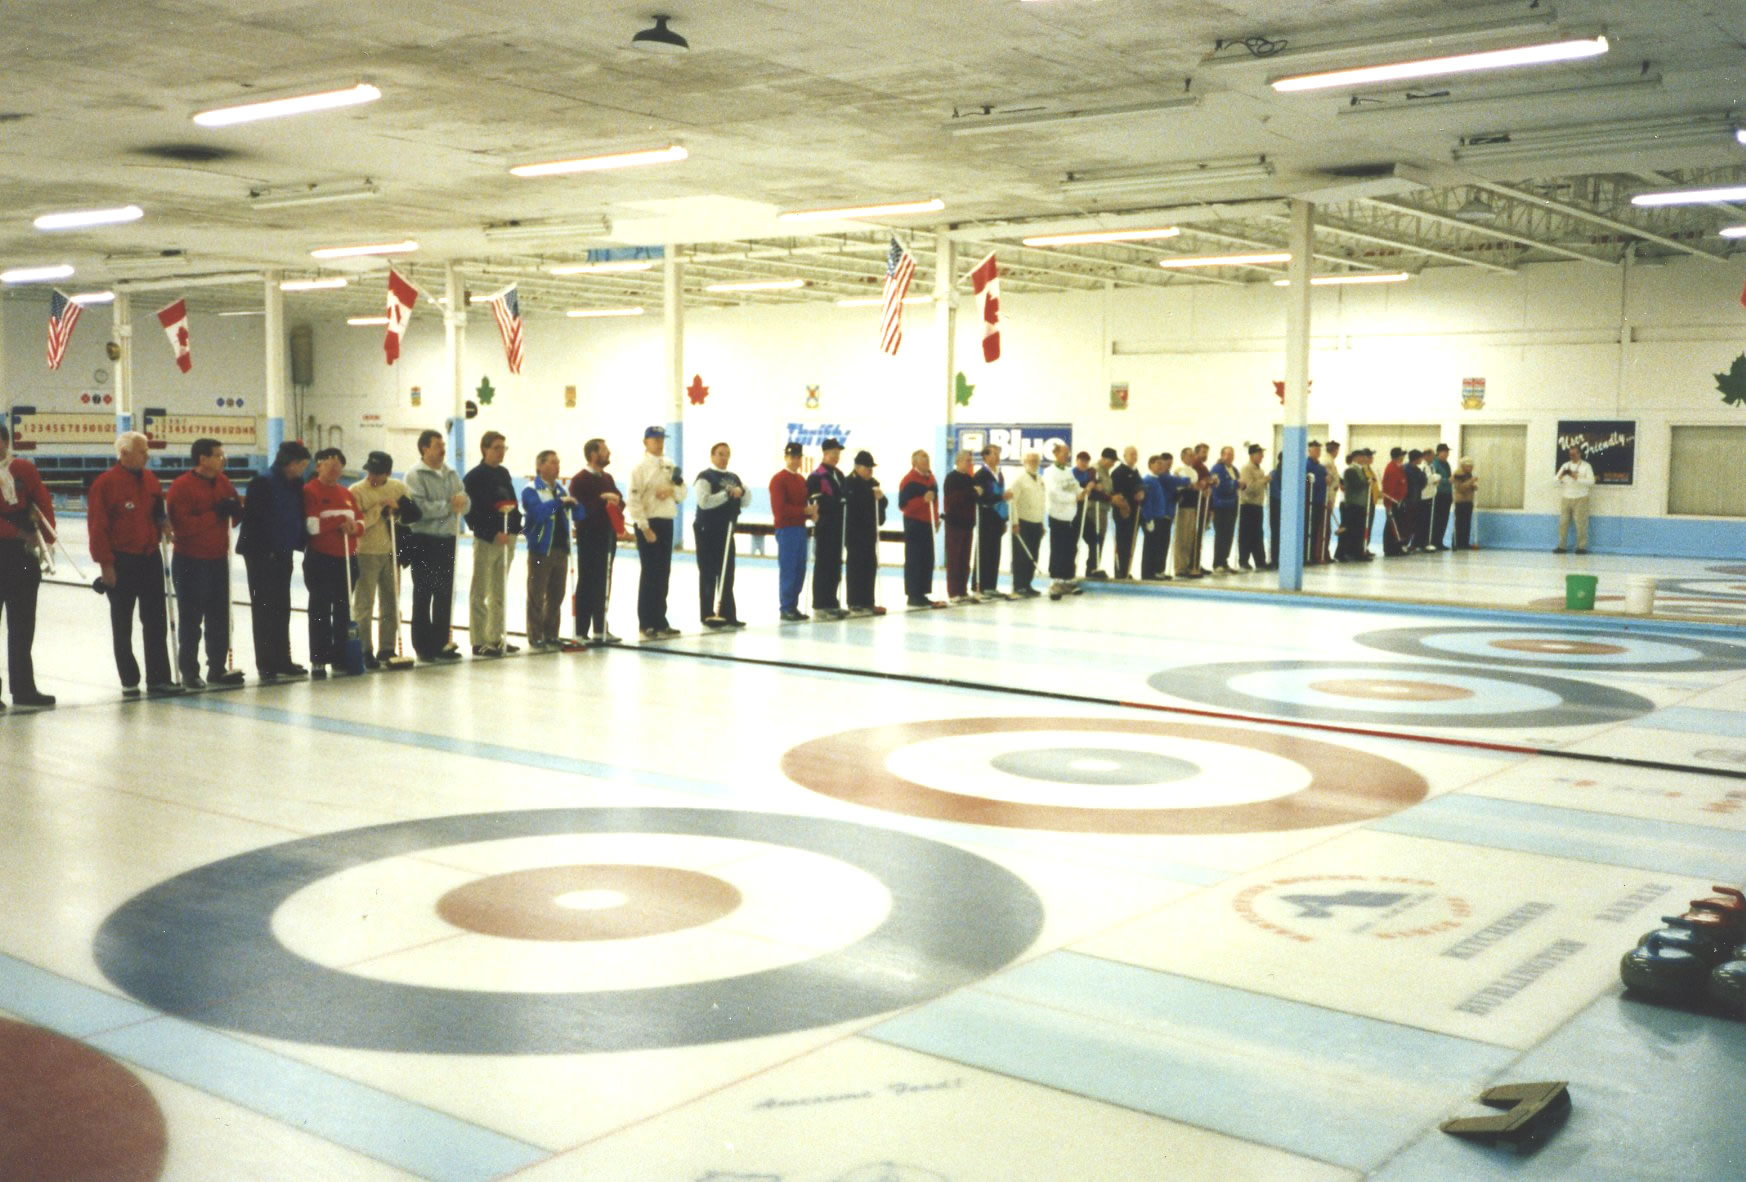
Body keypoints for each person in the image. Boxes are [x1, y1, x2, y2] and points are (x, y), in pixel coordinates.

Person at [88, 432, 181, 697]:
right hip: (122, 559)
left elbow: (157, 510)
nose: (147, 455)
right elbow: (97, 527)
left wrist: (163, 522)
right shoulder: (105, 484)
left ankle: (158, 678)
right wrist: (106, 565)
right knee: (122, 623)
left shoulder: (151, 479)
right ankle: (129, 679)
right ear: (125, 453)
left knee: (155, 621)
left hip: (149, 556)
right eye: (142, 451)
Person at [166, 437, 244, 688]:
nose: (223, 459)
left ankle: (217, 668)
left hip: (218, 559)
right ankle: (189, 671)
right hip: (190, 560)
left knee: (220, 616)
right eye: (218, 455)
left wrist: (236, 510)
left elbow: (233, 518)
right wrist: (215, 514)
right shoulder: (182, 486)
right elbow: (182, 527)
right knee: (191, 619)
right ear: (203, 459)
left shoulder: (223, 482)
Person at [237, 440, 310, 680]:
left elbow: (296, 514)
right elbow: (254, 520)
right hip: (261, 554)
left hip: (282, 552)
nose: (304, 470)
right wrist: (267, 549)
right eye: (302, 465)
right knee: (264, 608)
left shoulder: (295, 483)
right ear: (291, 463)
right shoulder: (262, 482)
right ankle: (266, 662)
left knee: (282, 607)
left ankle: (282, 659)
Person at [0, 422, 55, 708]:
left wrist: (46, 537)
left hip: (21, 556)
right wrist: (17, 532)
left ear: (6, 442)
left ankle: (24, 689)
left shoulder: (23, 469)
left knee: (22, 626)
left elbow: (43, 502)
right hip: (8, 542)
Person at [405, 429, 469, 662]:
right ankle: (423, 646)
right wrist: (449, 506)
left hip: (447, 539)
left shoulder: (451, 473)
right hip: (424, 539)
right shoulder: (415, 475)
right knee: (423, 593)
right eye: (437, 445)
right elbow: (420, 509)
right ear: (425, 449)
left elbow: (465, 502)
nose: (442, 449)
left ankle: (441, 643)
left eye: (443, 445)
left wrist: (461, 504)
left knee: (444, 593)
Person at [350, 451, 416, 668]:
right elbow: (359, 523)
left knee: (391, 602)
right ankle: (364, 649)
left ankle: (387, 648)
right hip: (365, 552)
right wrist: (379, 508)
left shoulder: (398, 488)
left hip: (390, 553)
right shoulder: (356, 490)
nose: (372, 477)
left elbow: (412, 515)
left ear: (388, 473)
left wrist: (398, 510)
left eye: (378, 473)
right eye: (370, 471)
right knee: (364, 604)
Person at [301, 447, 362, 678]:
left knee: (343, 610)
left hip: (346, 559)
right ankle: (318, 659)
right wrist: (339, 521)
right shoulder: (310, 490)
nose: (335, 468)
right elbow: (312, 526)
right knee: (320, 609)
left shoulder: (346, 493)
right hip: (321, 559)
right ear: (318, 465)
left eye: (339, 464)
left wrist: (353, 527)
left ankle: (341, 657)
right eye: (330, 463)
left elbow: (360, 522)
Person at [463, 432, 520, 656]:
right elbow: (471, 512)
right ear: (485, 449)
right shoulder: (473, 477)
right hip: (487, 540)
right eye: (497, 447)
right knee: (480, 591)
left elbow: (513, 504)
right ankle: (479, 640)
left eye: (503, 448)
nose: (501, 452)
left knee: (499, 591)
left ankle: (495, 637)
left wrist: (514, 529)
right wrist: (491, 533)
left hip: (508, 539)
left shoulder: (503, 474)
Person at [626, 425, 684, 638]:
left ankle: (660, 619)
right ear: (646, 442)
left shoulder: (670, 465)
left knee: (663, 573)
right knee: (650, 573)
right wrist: (644, 527)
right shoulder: (639, 468)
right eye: (655, 439)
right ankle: (646, 622)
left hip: (666, 521)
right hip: (649, 522)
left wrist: (672, 490)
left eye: (662, 439)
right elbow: (633, 500)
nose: (659, 443)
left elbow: (682, 492)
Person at [571, 437, 624, 644]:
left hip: (607, 535)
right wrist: (601, 501)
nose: (608, 453)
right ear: (593, 454)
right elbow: (580, 509)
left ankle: (601, 628)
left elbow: (620, 500)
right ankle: (581, 630)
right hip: (589, 536)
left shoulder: (607, 478)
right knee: (587, 581)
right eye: (604, 450)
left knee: (604, 581)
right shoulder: (580, 480)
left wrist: (616, 500)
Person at [693, 441, 746, 629]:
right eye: (720, 454)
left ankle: (727, 613)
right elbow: (704, 501)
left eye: (727, 454)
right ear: (712, 456)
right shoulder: (705, 477)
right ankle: (707, 614)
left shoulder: (733, 477)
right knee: (708, 572)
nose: (724, 458)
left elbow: (746, 500)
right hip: (707, 529)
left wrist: (741, 491)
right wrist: (727, 494)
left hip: (726, 529)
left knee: (727, 572)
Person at [769, 442, 813, 621]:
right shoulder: (778, 480)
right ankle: (786, 607)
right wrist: (804, 511)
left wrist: (811, 513)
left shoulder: (801, 480)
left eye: (798, 457)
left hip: (800, 529)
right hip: (786, 530)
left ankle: (793, 605)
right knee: (789, 568)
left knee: (800, 568)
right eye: (792, 457)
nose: (795, 460)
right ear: (786, 457)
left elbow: (804, 505)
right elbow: (780, 510)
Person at [841, 450, 887, 616]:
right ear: (857, 467)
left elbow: (883, 503)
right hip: (854, 533)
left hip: (869, 532)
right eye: (867, 468)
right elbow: (852, 505)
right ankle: (854, 601)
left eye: (871, 468)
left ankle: (868, 600)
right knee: (856, 567)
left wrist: (880, 498)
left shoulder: (873, 483)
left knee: (870, 565)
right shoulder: (849, 483)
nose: (870, 471)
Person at [807, 438, 848, 620]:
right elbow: (816, 500)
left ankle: (832, 602)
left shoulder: (838, 474)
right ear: (825, 454)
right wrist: (837, 502)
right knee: (824, 564)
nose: (836, 456)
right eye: (833, 453)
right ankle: (820, 604)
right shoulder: (817, 476)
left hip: (839, 526)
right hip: (825, 526)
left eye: (838, 453)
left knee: (835, 565)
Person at [897, 449, 939, 608]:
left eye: (927, 457)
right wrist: (922, 500)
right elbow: (903, 505)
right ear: (914, 462)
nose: (926, 460)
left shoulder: (931, 479)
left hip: (928, 523)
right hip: (914, 523)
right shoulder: (909, 480)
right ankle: (913, 594)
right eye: (923, 458)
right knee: (914, 558)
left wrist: (935, 519)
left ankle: (923, 592)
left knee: (927, 558)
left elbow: (935, 501)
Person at [1044, 443, 1086, 598]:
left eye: (1068, 453)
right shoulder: (1049, 472)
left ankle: (1068, 579)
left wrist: (1083, 491)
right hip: (1057, 516)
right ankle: (1056, 581)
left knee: (1070, 548)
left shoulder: (1068, 471)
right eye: (1064, 453)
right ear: (1056, 454)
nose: (1067, 456)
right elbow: (1054, 493)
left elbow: (1075, 486)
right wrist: (1074, 497)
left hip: (1071, 517)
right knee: (1058, 549)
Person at [973, 444, 1013, 598]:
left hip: (997, 517)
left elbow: (1001, 497)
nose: (997, 457)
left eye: (998, 454)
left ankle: (991, 585)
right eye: (994, 454)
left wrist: (1004, 519)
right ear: (985, 456)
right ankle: (980, 585)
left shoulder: (999, 474)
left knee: (995, 551)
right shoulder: (980, 475)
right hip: (986, 517)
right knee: (984, 550)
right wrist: (1000, 497)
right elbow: (981, 498)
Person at [1008, 451, 1046, 597]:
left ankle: (1028, 584)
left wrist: (1042, 523)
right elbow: (1012, 502)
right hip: (1023, 523)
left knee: (1033, 555)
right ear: (1024, 462)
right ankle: (1019, 585)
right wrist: (1014, 523)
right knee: (1021, 556)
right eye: (1030, 461)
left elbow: (1041, 503)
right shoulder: (1019, 479)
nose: (1033, 463)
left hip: (1036, 523)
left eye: (1035, 461)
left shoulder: (1040, 479)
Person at [1139, 452, 1183, 580]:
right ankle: (1147, 572)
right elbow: (1146, 502)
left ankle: (1158, 570)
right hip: (1152, 518)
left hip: (1161, 516)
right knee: (1151, 545)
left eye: (1162, 464)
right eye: (1158, 464)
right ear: (1150, 465)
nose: (1160, 467)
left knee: (1160, 545)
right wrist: (1148, 519)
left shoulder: (1158, 480)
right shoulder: (1147, 480)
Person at [942, 450, 977, 604]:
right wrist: (971, 492)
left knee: (964, 559)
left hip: (968, 524)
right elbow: (952, 500)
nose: (970, 463)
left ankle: (962, 590)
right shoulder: (951, 478)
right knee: (954, 559)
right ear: (959, 461)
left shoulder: (969, 479)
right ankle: (953, 592)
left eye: (971, 460)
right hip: (955, 523)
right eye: (967, 460)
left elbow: (973, 498)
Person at [1171, 443, 1208, 578]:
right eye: (1189, 455)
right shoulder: (1179, 471)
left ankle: (1187, 565)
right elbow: (1180, 487)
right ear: (1183, 457)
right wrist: (1192, 486)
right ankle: (1179, 567)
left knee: (1189, 538)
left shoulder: (1193, 472)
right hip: (1183, 507)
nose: (1192, 458)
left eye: (1193, 455)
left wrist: (1202, 488)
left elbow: (1197, 487)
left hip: (1193, 507)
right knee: (1182, 537)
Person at [1109, 445, 1145, 580]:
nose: (1134, 457)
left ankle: (1126, 569)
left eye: (1136, 454)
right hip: (1123, 512)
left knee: (1131, 542)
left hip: (1135, 512)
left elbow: (1141, 485)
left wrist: (1142, 492)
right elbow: (1116, 492)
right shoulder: (1118, 472)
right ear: (1124, 456)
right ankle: (1120, 571)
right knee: (1122, 542)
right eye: (1131, 454)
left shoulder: (1135, 471)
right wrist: (1124, 506)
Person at [1079, 449, 1114, 577]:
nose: (1113, 464)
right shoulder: (1094, 470)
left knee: (1100, 537)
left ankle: (1094, 567)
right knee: (1096, 537)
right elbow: (1092, 488)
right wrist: (1109, 497)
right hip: (1094, 508)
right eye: (1111, 461)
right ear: (1104, 458)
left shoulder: (1106, 472)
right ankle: (1092, 568)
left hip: (1103, 508)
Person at [1554, 444, 1595, 554]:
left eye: (1574, 454)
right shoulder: (1565, 465)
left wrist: (1576, 477)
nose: (1572, 456)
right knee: (1563, 523)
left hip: (1581, 498)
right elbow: (1555, 480)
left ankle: (1581, 547)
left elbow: (1591, 482)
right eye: (1570, 454)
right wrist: (1560, 478)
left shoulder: (1586, 466)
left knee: (1581, 524)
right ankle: (1561, 546)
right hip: (1566, 497)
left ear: (1579, 454)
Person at [1336, 449, 1373, 562]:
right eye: (1362, 457)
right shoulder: (1351, 470)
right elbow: (1355, 485)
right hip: (1353, 504)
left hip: (1360, 504)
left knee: (1357, 530)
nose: (1364, 459)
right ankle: (1341, 553)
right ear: (1356, 458)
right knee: (1348, 529)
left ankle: (1355, 552)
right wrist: (1367, 482)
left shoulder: (1360, 470)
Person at [1209, 445, 1240, 574]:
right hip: (1220, 506)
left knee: (1229, 534)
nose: (1230, 457)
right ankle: (1217, 563)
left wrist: (1241, 485)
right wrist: (1236, 484)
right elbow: (1219, 486)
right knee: (1221, 534)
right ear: (1222, 455)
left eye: (1232, 454)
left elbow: (1238, 483)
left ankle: (1224, 561)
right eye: (1227, 454)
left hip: (1232, 505)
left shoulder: (1234, 469)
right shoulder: (1217, 469)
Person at [1237, 444, 1267, 571]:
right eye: (1259, 454)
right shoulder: (1246, 469)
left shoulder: (1260, 471)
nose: (1262, 456)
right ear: (1252, 455)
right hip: (1248, 505)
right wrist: (1264, 481)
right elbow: (1248, 488)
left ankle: (1260, 561)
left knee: (1258, 534)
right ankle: (1243, 561)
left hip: (1258, 505)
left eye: (1262, 454)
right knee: (1246, 534)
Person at [1303, 440, 1329, 564]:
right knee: (1308, 528)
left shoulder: (1321, 467)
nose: (1318, 452)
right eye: (1315, 450)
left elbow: (1326, 477)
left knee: (1315, 530)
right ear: (1309, 451)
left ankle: (1313, 554)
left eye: (1319, 450)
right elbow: (1305, 480)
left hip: (1319, 500)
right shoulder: (1306, 465)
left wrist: (1327, 479)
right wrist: (1312, 481)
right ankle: (1305, 554)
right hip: (1310, 501)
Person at [1381, 447, 1409, 557]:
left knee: (1397, 525)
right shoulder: (1391, 468)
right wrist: (1389, 503)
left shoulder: (1399, 467)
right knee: (1391, 525)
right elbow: (1389, 488)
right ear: (1398, 456)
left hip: (1399, 501)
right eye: (1402, 455)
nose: (1403, 457)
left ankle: (1396, 547)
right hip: (1393, 501)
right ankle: (1389, 549)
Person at [1416, 446, 1441, 553]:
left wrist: (1435, 478)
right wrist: (1437, 477)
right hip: (1423, 497)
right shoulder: (1422, 466)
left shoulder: (1431, 466)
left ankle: (1425, 542)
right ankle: (1419, 543)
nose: (1433, 458)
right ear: (1426, 456)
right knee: (1422, 521)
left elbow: (1433, 480)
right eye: (1432, 456)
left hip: (1430, 496)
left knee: (1427, 522)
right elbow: (1428, 479)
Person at [1451, 457, 1479, 550]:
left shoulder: (1468, 474)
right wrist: (1471, 481)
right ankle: (1457, 542)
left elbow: (1467, 486)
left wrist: (1473, 487)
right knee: (1460, 523)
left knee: (1467, 524)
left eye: (1471, 466)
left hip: (1468, 501)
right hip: (1461, 501)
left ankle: (1464, 543)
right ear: (1463, 466)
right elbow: (1460, 488)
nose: (1471, 468)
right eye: (1469, 466)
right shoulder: (1458, 474)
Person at [1402, 449, 1427, 554]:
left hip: (1416, 499)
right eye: (1420, 458)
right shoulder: (1406, 469)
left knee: (1414, 524)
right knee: (1407, 523)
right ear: (1416, 459)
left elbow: (1423, 482)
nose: (1422, 460)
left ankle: (1412, 544)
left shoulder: (1418, 470)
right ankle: (1404, 544)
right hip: (1408, 500)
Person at [1430, 443, 1454, 551]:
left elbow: (1449, 476)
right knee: (1437, 519)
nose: (1447, 454)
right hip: (1438, 494)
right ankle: (1433, 541)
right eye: (1445, 452)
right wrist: (1446, 481)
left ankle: (1439, 541)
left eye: (1448, 452)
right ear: (1439, 452)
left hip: (1447, 494)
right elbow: (1434, 479)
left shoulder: (1446, 464)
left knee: (1444, 519)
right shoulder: (1434, 463)